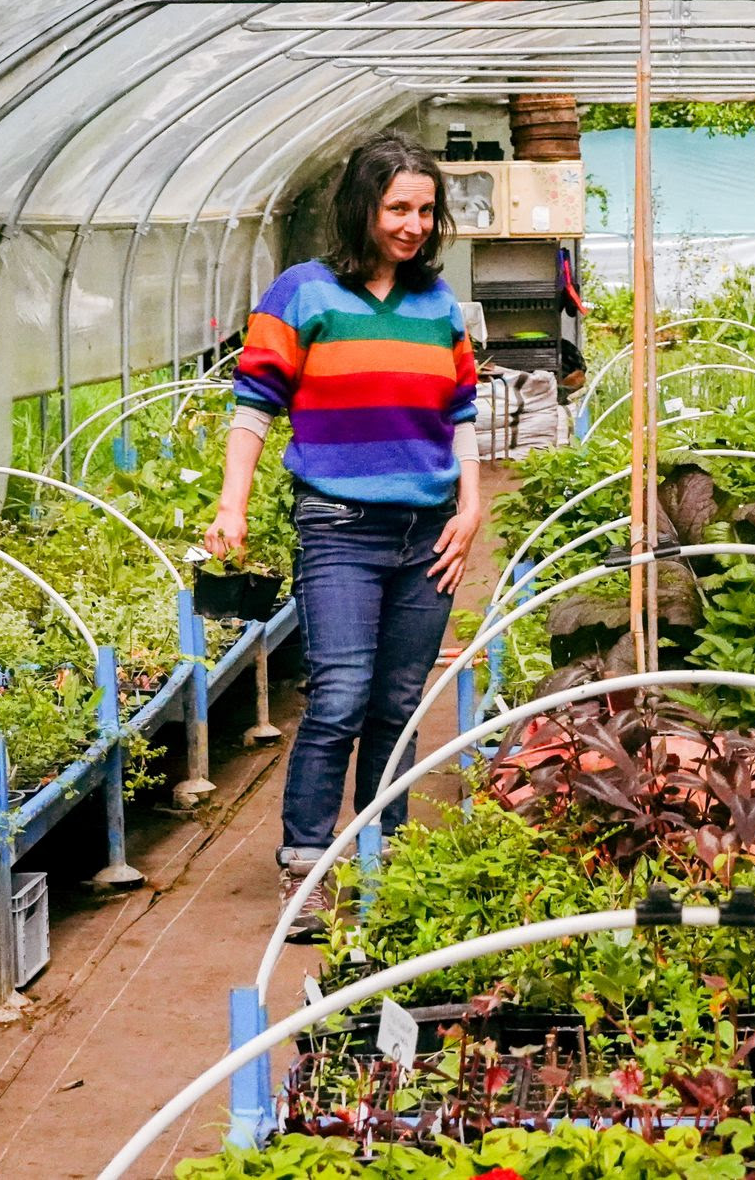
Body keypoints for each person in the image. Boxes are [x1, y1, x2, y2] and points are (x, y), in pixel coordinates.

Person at [204, 131, 483, 937]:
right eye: (399, 207)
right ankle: (306, 868)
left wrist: (470, 508)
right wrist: (233, 505)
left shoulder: (437, 306)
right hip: (338, 527)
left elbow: (460, 417)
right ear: (362, 207)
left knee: (399, 703)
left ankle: (383, 860)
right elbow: (253, 406)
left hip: (429, 531)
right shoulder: (302, 293)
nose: (414, 224)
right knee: (339, 696)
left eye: (427, 210)